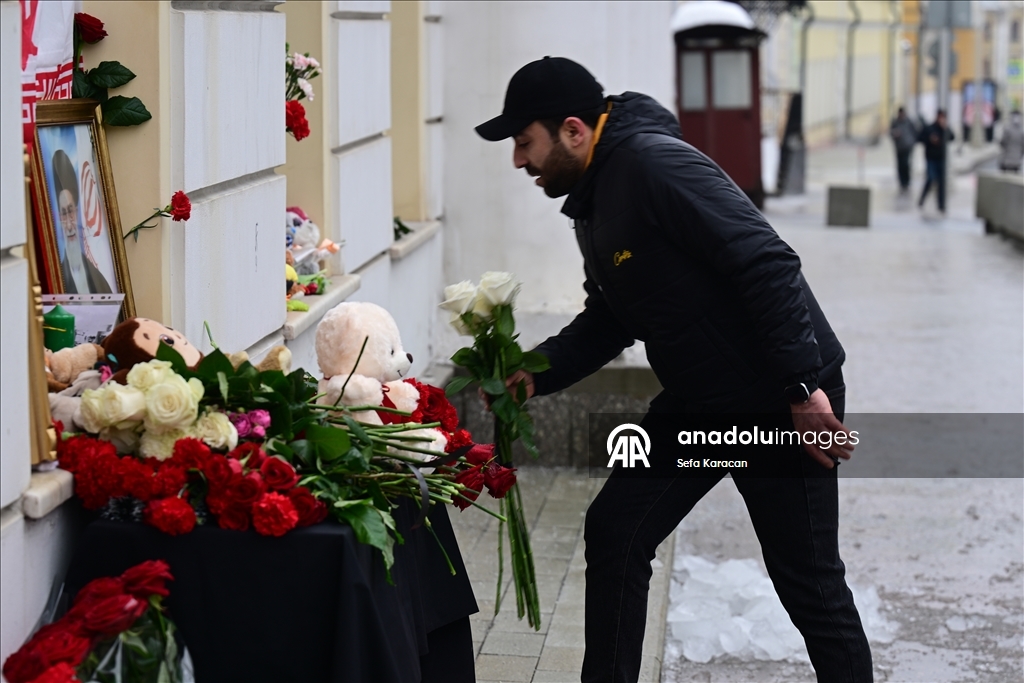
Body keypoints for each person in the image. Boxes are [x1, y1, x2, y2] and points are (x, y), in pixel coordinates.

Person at [475, 57, 872, 683]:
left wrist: (803, 389)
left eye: (526, 142)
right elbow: (612, 315)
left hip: (778, 398)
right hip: (700, 399)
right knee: (617, 532)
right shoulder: (594, 200)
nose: (519, 161)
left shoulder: (655, 165)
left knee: (807, 583)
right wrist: (534, 371)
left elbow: (767, 262)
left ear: (574, 130)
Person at [52, 149, 112, 294]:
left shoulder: (97, 275)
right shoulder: (58, 279)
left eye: (70, 211)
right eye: (64, 214)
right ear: (59, 218)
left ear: (77, 212)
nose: (69, 223)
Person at [917, 109, 955, 215]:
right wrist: (930, 139)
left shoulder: (944, 129)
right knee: (931, 178)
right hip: (931, 158)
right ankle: (922, 199)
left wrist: (945, 128)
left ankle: (941, 206)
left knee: (941, 183)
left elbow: (952, 137)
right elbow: (920, 138)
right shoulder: (930, 128)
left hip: (941, 159)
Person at [889, 106, 917, 194]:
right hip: (899, 147)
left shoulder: (909, 121)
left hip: (907, 146)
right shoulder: (895, 122)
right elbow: (891, 132)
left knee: (906, 164)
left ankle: (907, 181)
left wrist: (912, 142)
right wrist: (895, 134)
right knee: (900, 165)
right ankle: (902, 182)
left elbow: (915, 132)